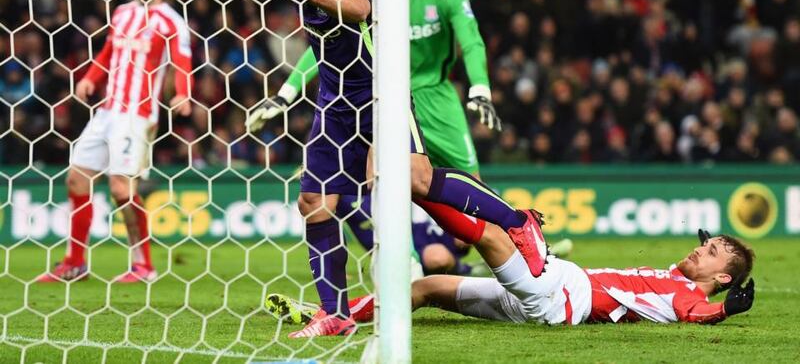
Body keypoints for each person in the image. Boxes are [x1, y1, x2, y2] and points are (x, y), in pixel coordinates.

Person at [249, 0, 546, 338]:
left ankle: (517, 222)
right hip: (333, 105)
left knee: (417, 178)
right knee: (314, 203)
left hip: (381, 95)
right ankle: (335, 312)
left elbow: (362, 9)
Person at [36, 0, 193, 283]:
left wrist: (182, 92)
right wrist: (90, 77)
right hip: (107, 110)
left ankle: (144, 266)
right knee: (76, 179)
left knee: (122, 189)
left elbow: (182, 60)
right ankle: (75, 263)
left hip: (137, 115)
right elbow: (108, 52)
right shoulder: (122, 12)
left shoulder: (170, 21)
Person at [269, 227, 755, 327]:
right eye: (705, 243)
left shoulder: (688, 299)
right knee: (425, 290)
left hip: (561, 295)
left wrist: (725, 308)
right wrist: (715, 254)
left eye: (710, 251)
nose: (699, 249)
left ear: (724, 278)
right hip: (550, 298)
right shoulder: (675, 279)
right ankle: (332, 316)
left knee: (499, 231)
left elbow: (701, 313)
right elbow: (680, 282)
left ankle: (427, 187)